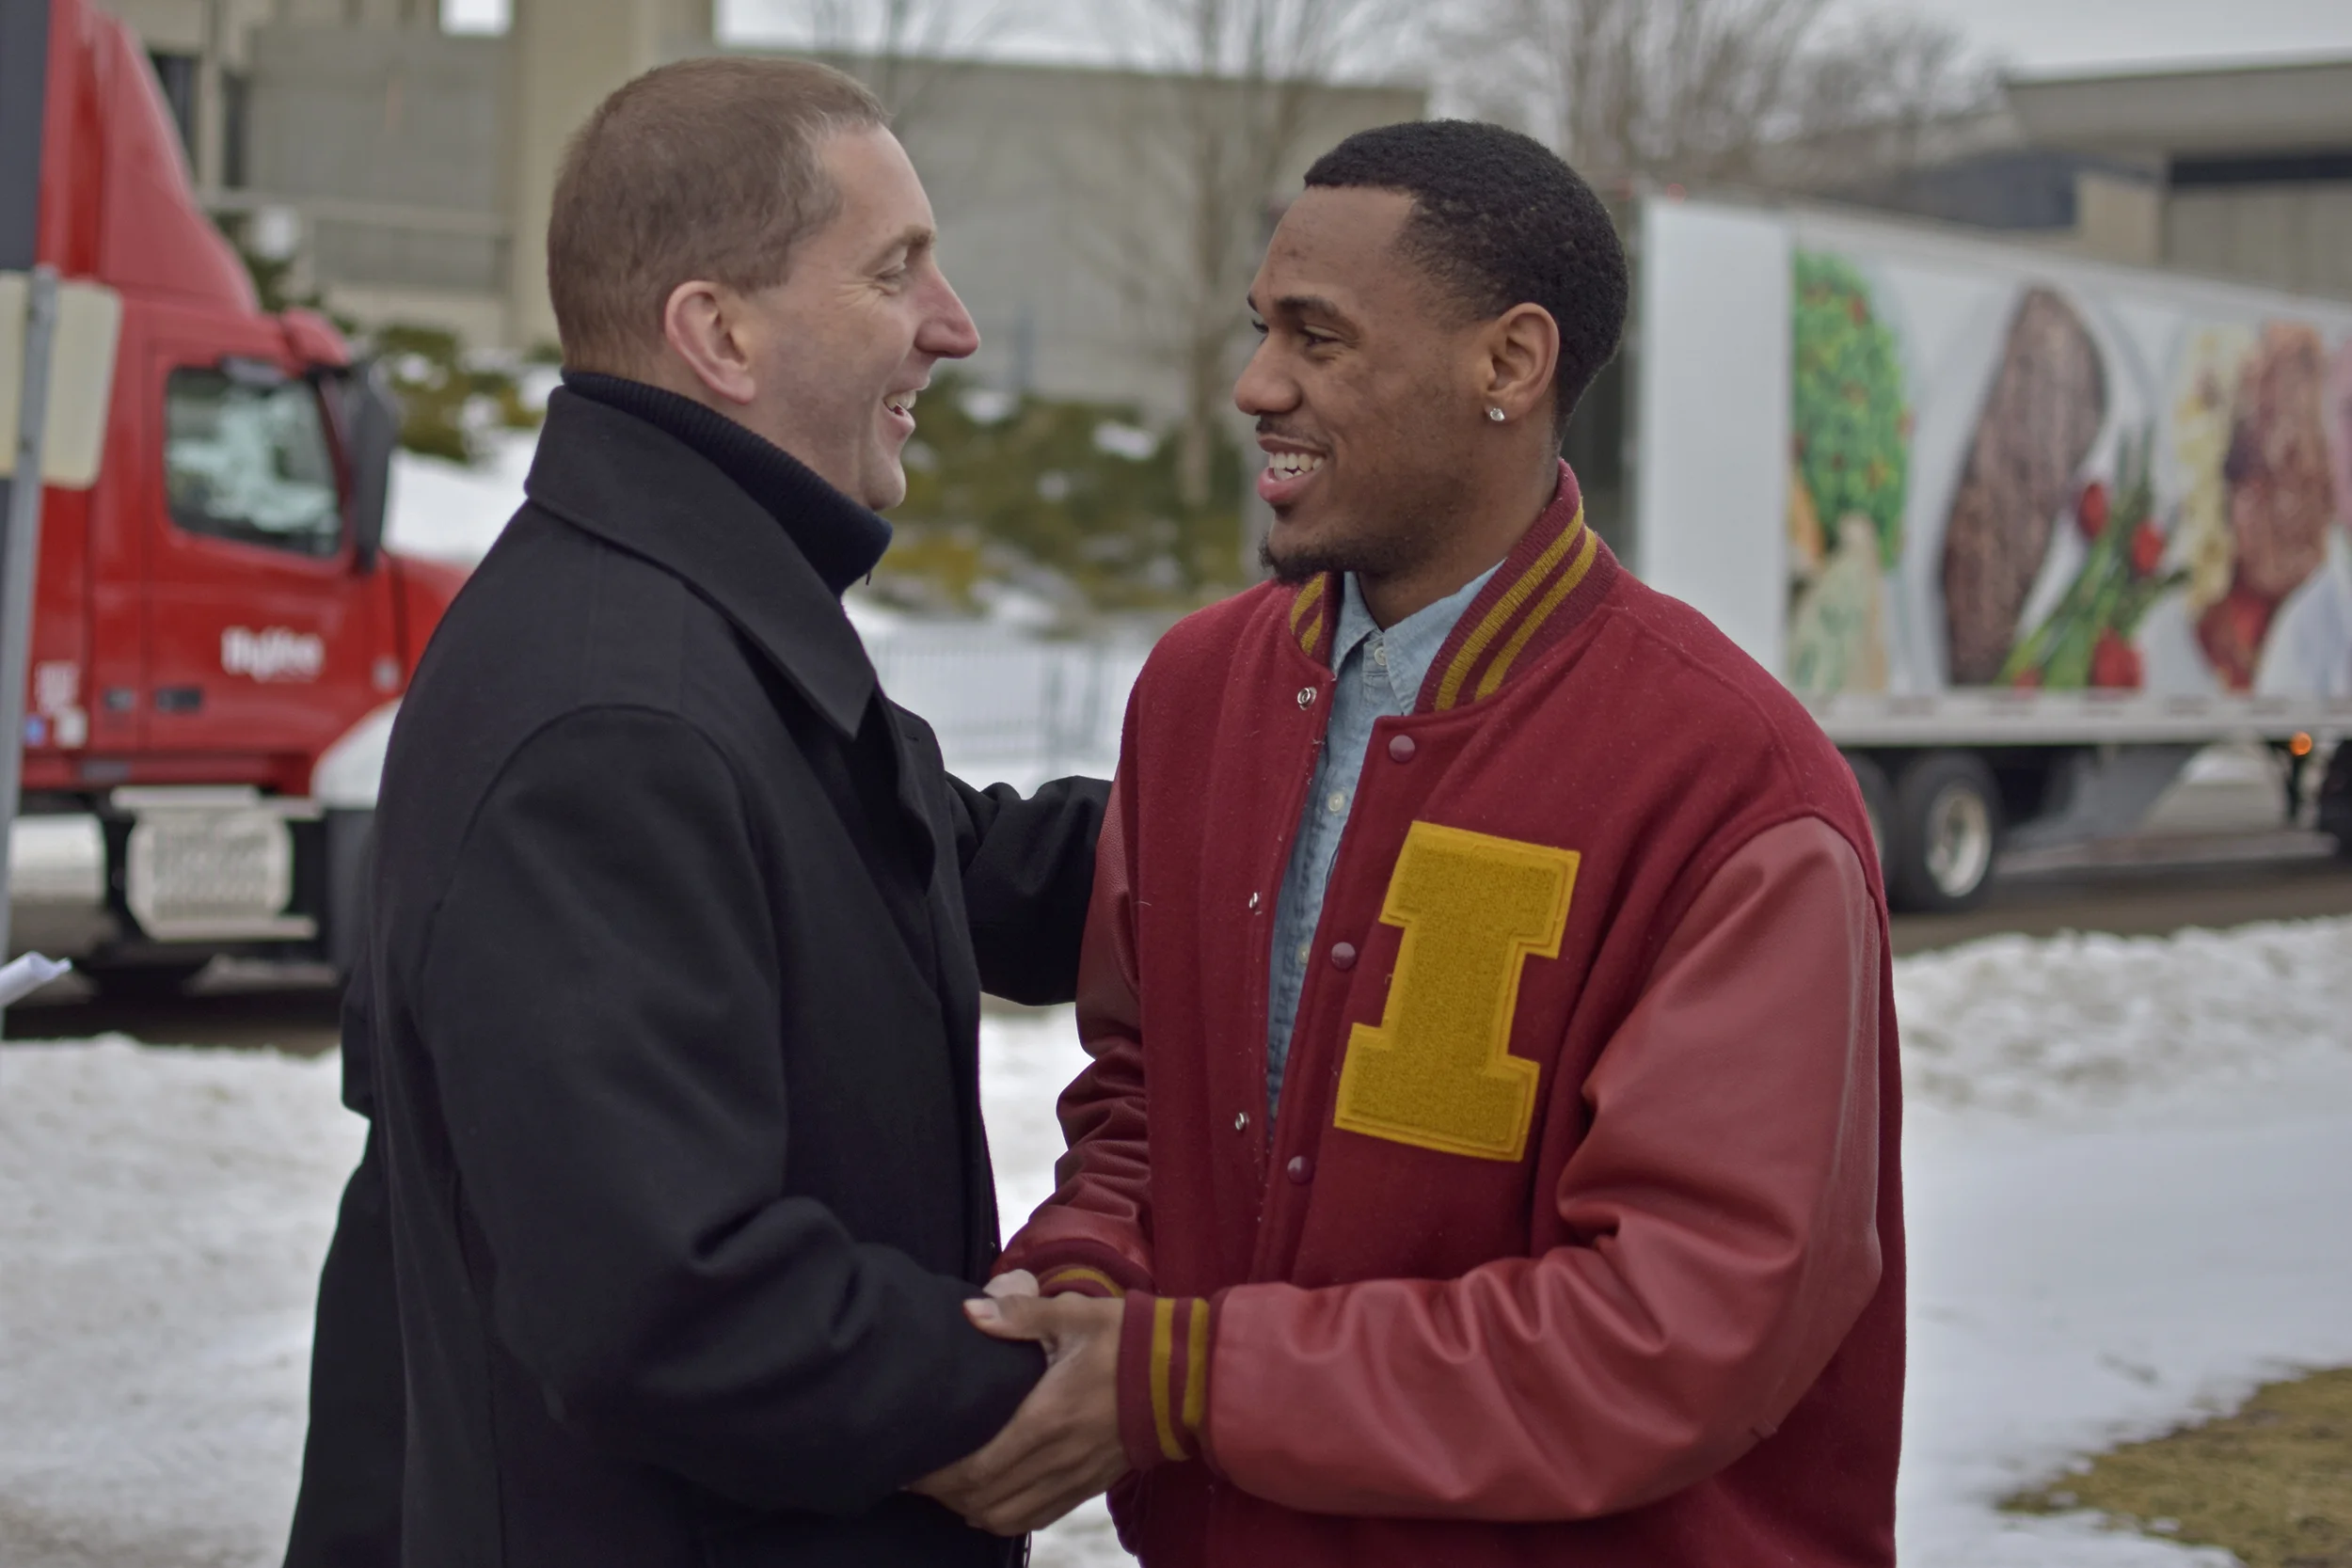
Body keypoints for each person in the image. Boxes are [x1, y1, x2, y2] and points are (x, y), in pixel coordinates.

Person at [928, 120, 1903, 1564]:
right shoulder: (1198, 694)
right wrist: (1082, 1282)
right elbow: (1147, 1099)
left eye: (1319, 339)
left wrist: (1186, 1379)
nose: (1257, 385)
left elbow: (1676, 1327)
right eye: (1262, 330)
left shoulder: (1734, 790)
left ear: (1510, 364)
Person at [283, 56, 1108, 1568]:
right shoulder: (617, 715)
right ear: (717, 334)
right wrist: (1052, 1379)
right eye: (896, 269)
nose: (956, 324)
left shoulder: (701, 621)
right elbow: (668, 1301)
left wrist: (1278, 838)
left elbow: (941, 850)